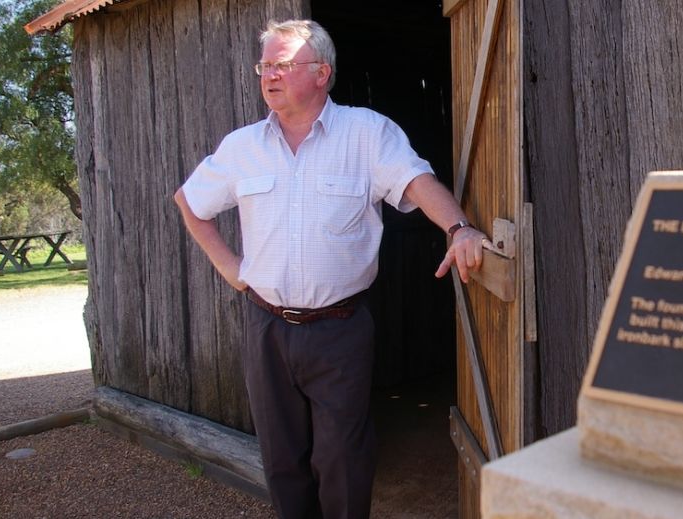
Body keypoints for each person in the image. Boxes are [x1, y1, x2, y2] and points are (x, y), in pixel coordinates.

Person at [173, 18, 485, 519]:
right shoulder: (242, 146)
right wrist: (232, 267)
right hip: (266, 326)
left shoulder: (366, 133)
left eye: (282, 64)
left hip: (340, 330)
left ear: (322, 73)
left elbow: (416, 182)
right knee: (280, 458)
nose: (269, 75)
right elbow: (190, 202)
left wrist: (459, 229)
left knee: (342, 457)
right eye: (264, 66)